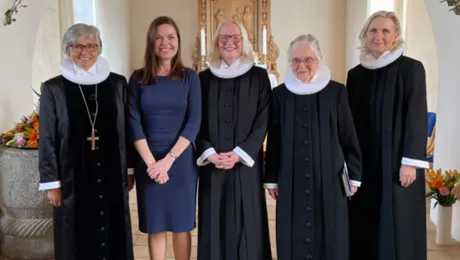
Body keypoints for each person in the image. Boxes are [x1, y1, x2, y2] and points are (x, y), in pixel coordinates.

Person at [38, 23, 135, 260]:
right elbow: (48, 138)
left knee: (114, 233)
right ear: (67, 49)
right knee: (75, 238)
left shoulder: (117, 83)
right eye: (77, 45)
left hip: (112, 174)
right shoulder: (54, 88)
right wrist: (52, 182)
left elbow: (127, 129)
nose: (85, 51)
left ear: (99, 48)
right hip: (72, 178)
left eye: (91, 45)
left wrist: (130, 169)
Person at [264, 34, 362, 260]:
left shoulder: (336, 92)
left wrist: (354, 176)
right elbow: (275, 139)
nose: (302, 66)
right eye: (296, 60)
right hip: (291, 179)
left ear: (319, 60)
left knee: (331, 236)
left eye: (308, 59)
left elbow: (348, 136)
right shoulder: (279, 94)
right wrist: (272, 178)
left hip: (330, 178)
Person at [346, 11, 429, 260]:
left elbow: (416, 116)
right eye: (373, 31)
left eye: (384, 31)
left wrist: (410, 162)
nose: (378, 36)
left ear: (396, 36)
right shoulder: (356, 74)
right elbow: (349, 124)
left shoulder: (411, 68)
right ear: (364, 35)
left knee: (397, 223)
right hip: (365, 163)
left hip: (397, 163)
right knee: (365, 218)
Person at [195, 20, 272, 260]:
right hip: (213, 164)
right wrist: (208, 152)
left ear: (244, 42)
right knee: (213, 222)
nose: (230, 42)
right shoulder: (203, 78)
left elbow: (264, 120)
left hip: (246, 166)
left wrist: (241, 153)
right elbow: (194, 120)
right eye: (224, 37)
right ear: (216, 43)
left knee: (248, 223)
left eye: (235, 37)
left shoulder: (259, 76)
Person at [128, 16, 201, 260]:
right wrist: (152, 164)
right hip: (147, 160)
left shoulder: (190, 78)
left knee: (181, 225)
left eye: (171, 37)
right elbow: (134, 123)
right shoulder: (137, 79)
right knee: (155, 225)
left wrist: (167, 161)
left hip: (179, 161)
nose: (165, 43)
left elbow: (194, 122)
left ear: (178, 41)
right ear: (151, 42)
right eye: (158, 37)